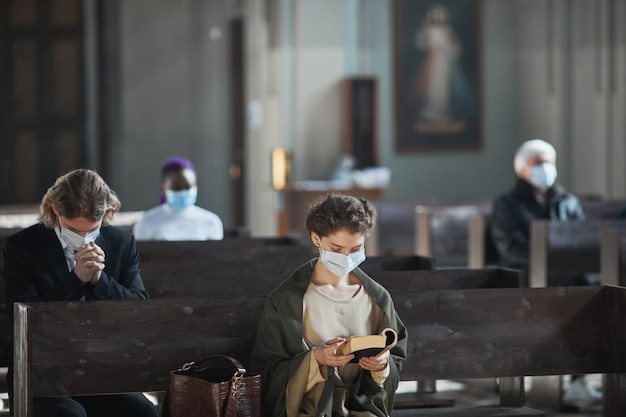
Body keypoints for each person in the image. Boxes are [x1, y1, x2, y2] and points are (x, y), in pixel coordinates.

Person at [1, 168, 158, 417]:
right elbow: (22, 315)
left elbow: (138, 307)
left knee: (142, 411)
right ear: (55, 210)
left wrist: (99, 280)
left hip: (102, 367)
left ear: (105, 214)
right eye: (75, 231)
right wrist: (76, 279)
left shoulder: (121, 243)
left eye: (91, 231)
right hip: (40, 370)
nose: (84, 239)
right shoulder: (21, 248)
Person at [250, 194, 407, 417]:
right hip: (309, 409)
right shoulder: (286, 300)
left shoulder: (377, 298)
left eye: (355, 249)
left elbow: (396, 355)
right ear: (316, 239)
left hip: (360, 408)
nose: (346, 257)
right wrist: (315, 359)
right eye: (336, 247)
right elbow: (266, 372)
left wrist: (382, 366)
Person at [489, 139, 601, 407]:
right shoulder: (507, 203)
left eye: (548, 162)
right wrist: (548, 258)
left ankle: (577, 381)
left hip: (566, 273)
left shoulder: (567, 200)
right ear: (522, 170)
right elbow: (510, 245)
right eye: (537, 163)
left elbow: (580, 237)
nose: (545, 168)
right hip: (526, 274)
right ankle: (532, 376)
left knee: (592, 296)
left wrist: (566, 261)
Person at [132, 156, 224, 241]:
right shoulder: (146, 222)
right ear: (163, 188)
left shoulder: (211, 222)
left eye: (188, 187)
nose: (182, 192)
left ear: (196, 187)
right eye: (176, 188)